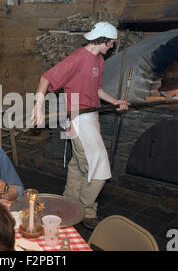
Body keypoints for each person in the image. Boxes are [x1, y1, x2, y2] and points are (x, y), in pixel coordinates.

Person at [31, 22, 130, 230]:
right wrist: (38, 107)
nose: (112, 47)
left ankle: (70, 203)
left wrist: (115, 102)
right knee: (99, 168)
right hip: (76, 119)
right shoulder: (77, 58)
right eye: (111, 43)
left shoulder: (99, 59)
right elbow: (46, 78)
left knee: (78, 164)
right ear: (102, 40)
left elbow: (97, 89)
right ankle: (87, 209)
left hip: (90, 117)